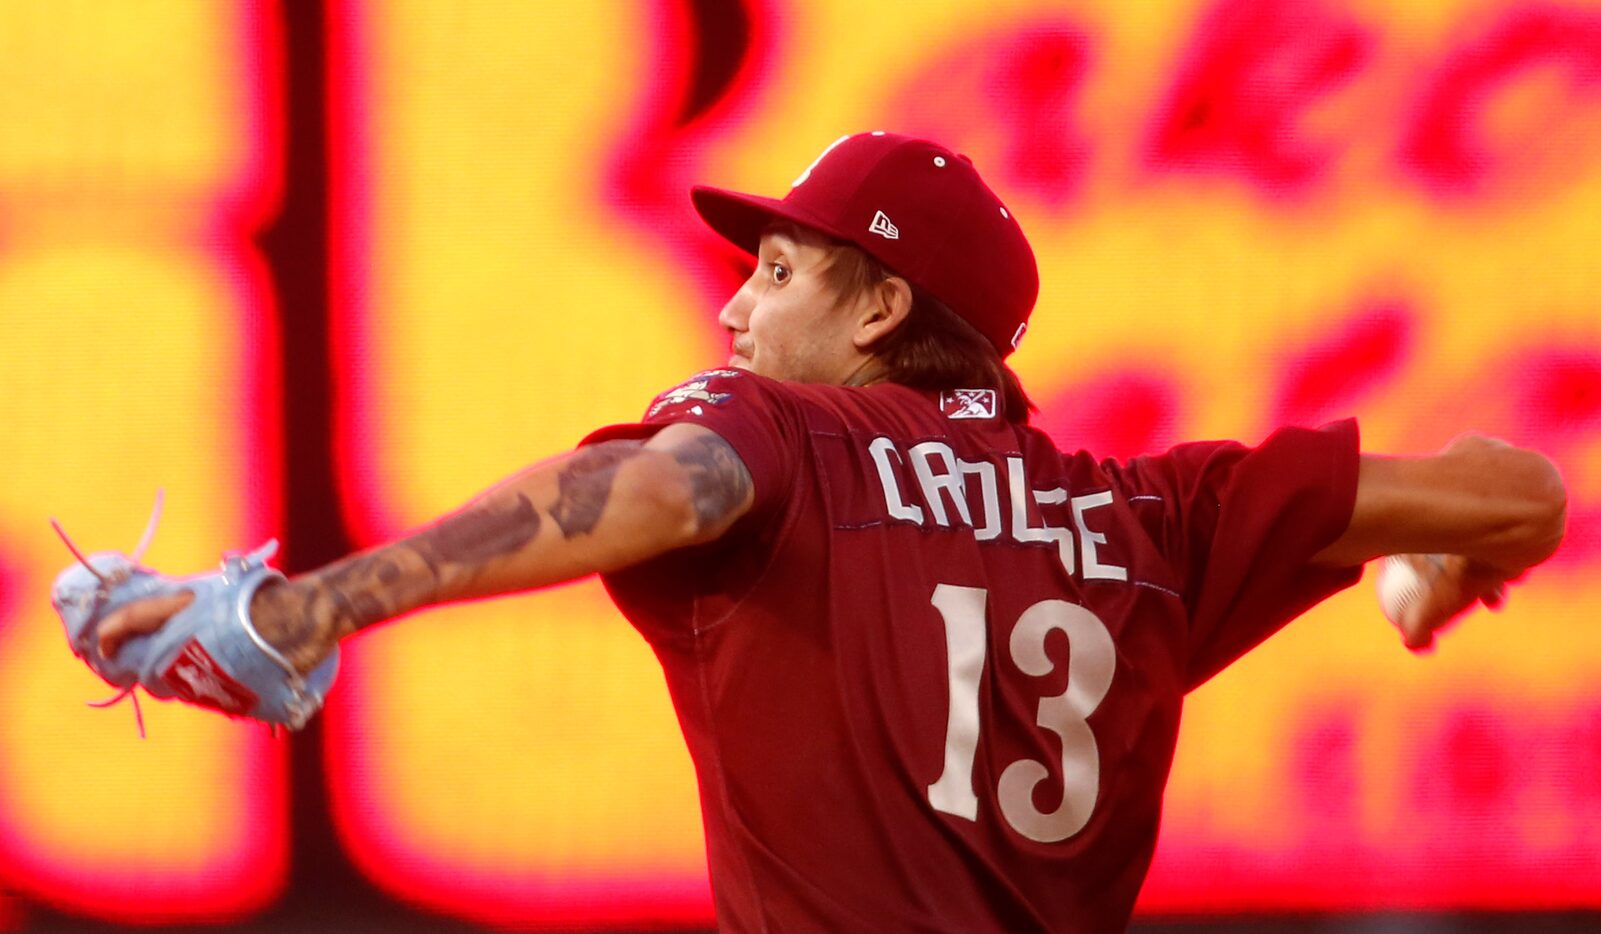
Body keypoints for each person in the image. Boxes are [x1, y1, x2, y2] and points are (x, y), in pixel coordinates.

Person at [98, 131, 1567, 932]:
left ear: (877, 312)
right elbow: (1526, 493)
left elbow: (663, 492)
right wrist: (1433, 557)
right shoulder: (1149, 520)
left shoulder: (779, 431)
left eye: (782, 270)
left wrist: (320, 605)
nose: (736, 307)